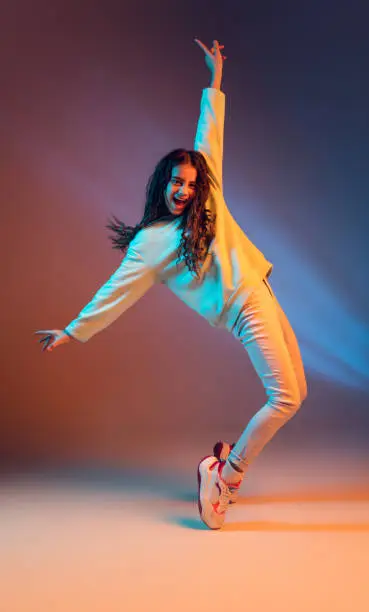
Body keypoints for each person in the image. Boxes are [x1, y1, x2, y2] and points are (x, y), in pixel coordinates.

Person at [36, 39, 307, 530]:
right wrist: (73, 330)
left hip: (262, 290)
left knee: (297, 392)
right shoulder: (151, 244)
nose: (184, 189)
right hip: (243, 309)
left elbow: (210, 133)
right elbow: (114, 292)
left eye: (188, 182)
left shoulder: (209, 193)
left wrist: (216, 78)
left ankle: (223, 461)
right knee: (284, 397)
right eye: (175, 183)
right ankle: (226, 474)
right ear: (162, 184)